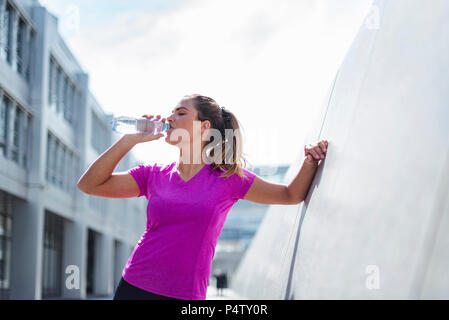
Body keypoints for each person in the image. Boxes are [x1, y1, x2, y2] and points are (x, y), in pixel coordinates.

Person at [77, 94, 328, 300]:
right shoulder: (152, 175)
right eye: (172, 112)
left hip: (186, 297)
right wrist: (129, 141)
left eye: (180, 113)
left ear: (204, 127)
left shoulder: (228, 179)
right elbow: (89, 185)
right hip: (135, 286)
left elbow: (290, 195)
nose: (169, 118)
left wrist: (310, 161)